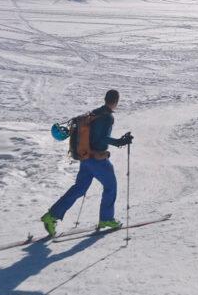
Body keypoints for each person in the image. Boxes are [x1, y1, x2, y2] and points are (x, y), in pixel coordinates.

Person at [41, 89, 133, 235]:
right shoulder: (108, 117)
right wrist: (120, 142)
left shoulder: (95, 113)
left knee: (79, 188)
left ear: (105, 99)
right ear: (116, 101)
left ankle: (51, 216)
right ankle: (106, 219)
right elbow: (101, 139)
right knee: (111, 186)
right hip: (96, 159)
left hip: (85, 157)